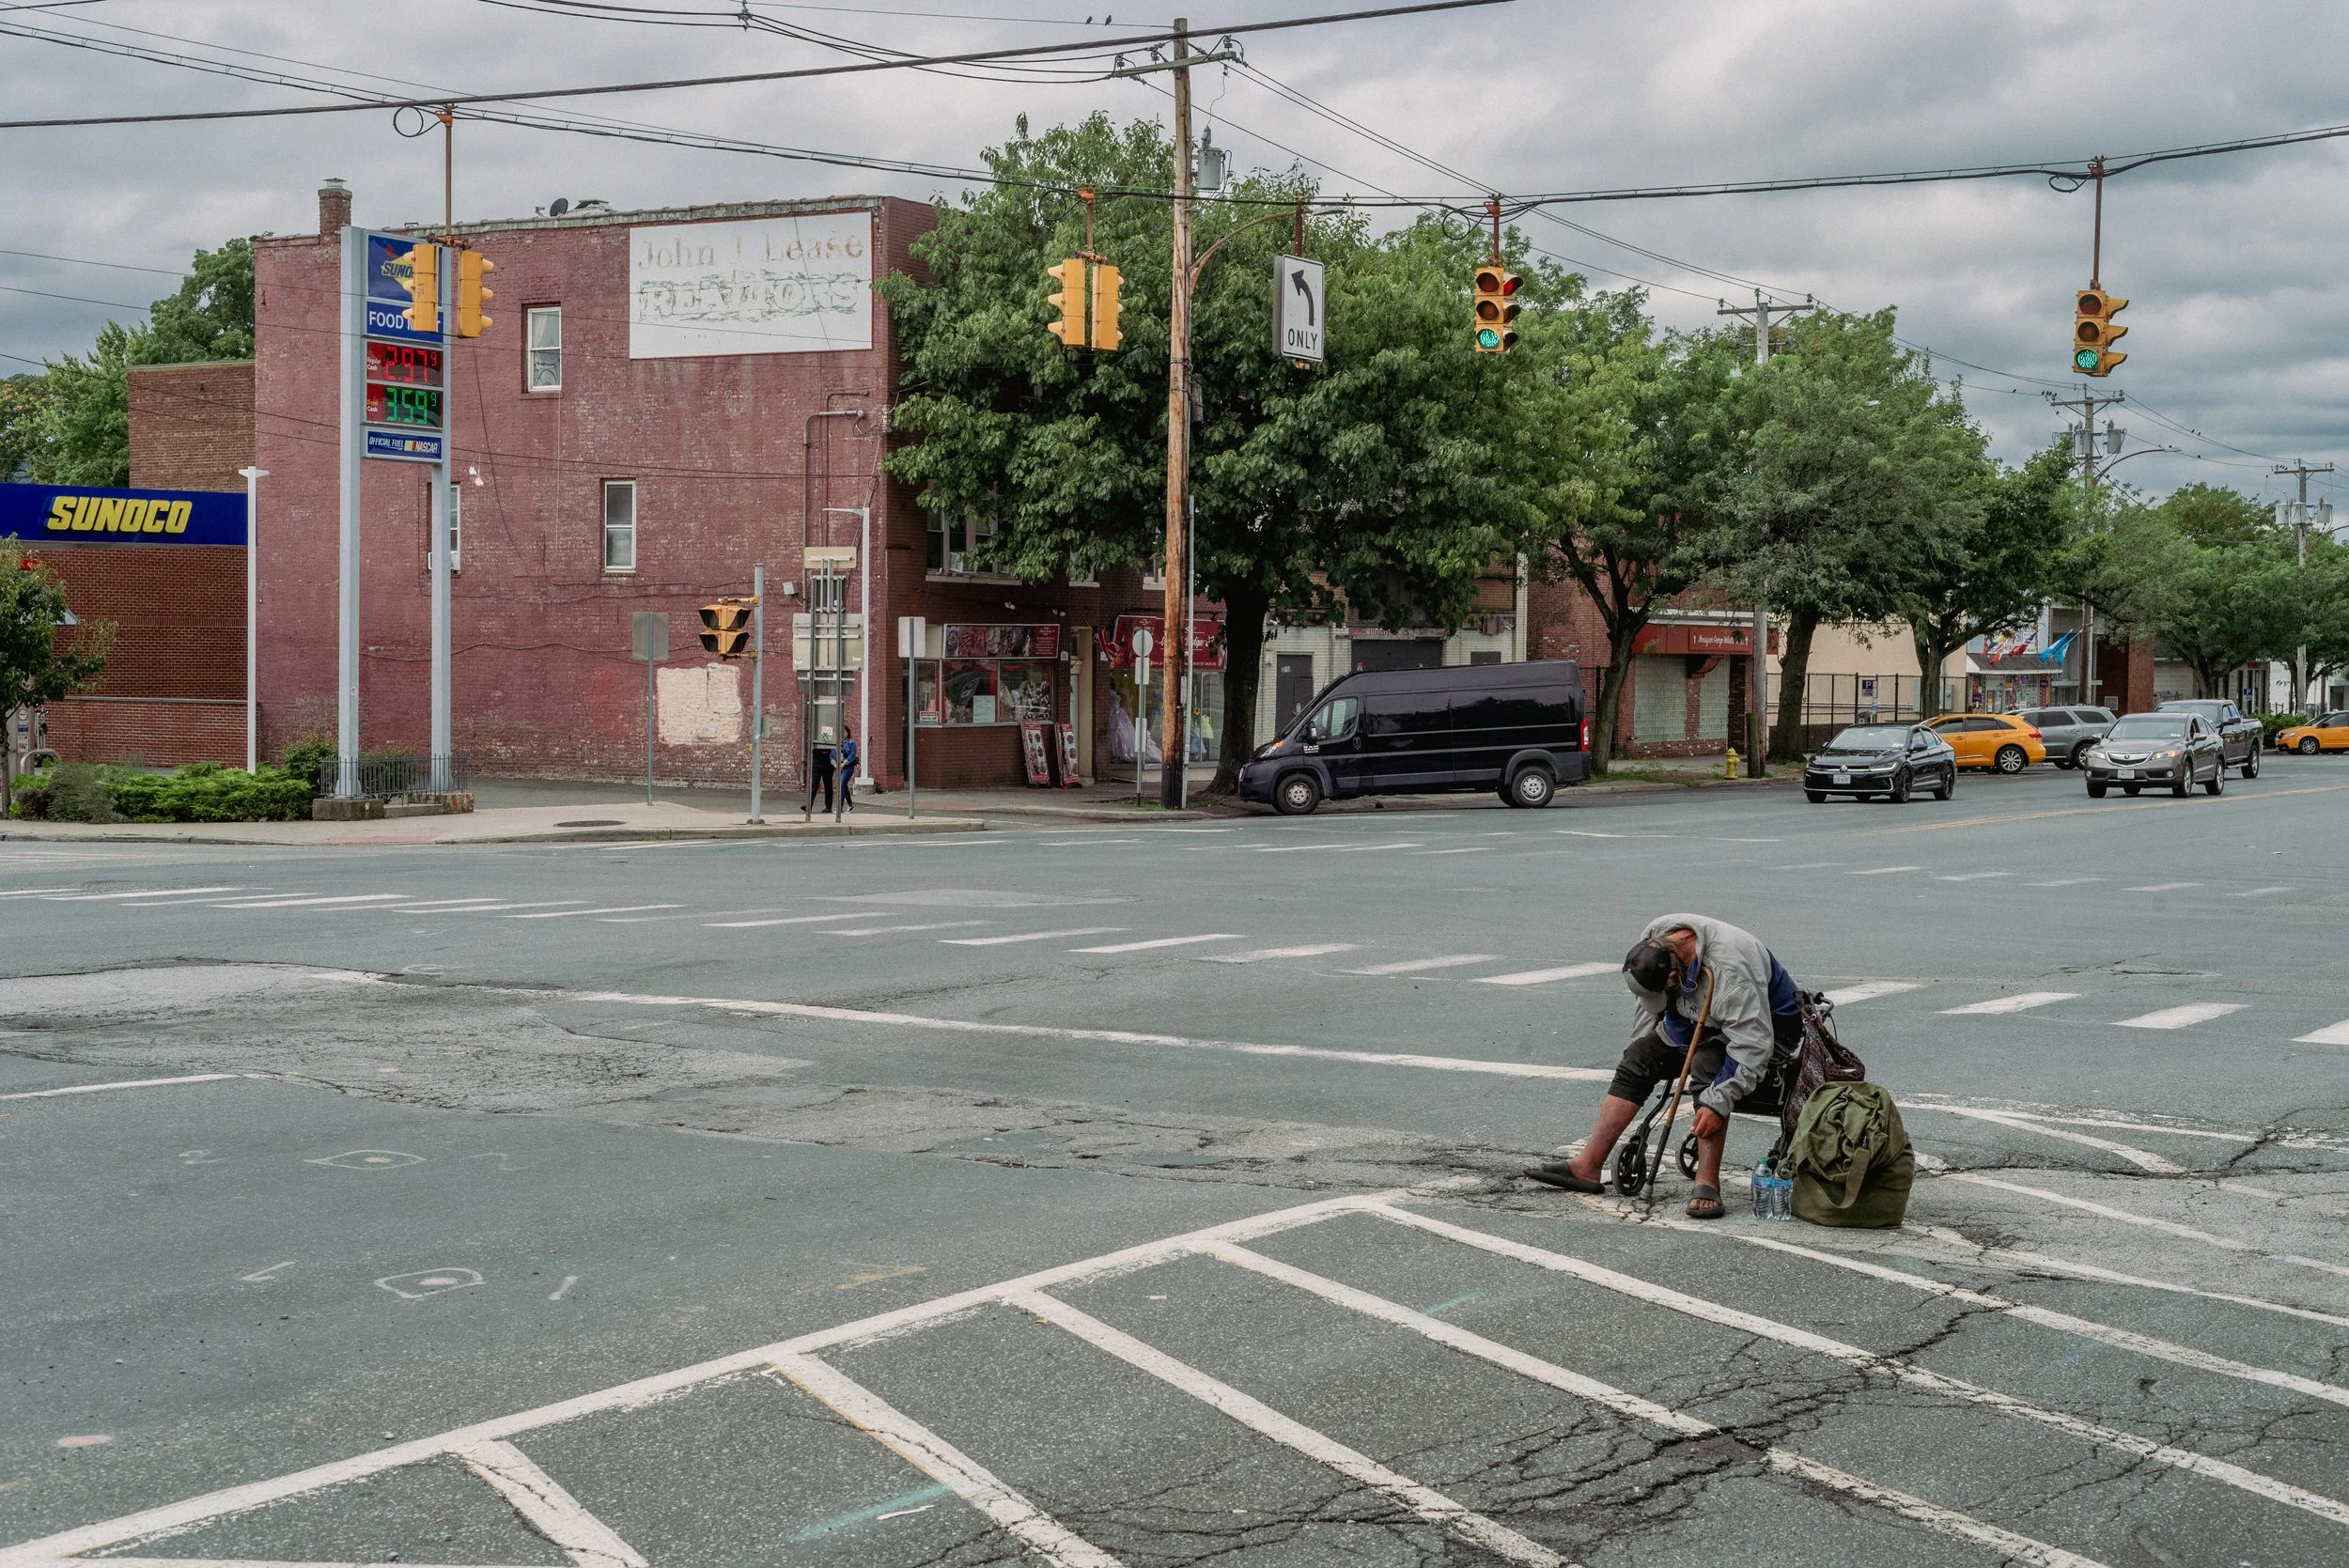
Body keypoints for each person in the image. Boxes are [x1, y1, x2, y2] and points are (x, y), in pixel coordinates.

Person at [1523, 913, 1807, 1219]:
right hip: (1696, 1017)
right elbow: (1648, 1007)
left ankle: (1707, 1182)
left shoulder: (1730, 974)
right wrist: (1643, 1054)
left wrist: (1717, 1102)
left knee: (1707, 1064)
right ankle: (1587, 1166)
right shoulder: (1655, 938)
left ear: (1674, 978)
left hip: (1767, 1031)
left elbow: (1753, 1046)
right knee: (1639, 1057)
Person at [803, 731, 834, 820]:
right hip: (816, 759)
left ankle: (828, 807)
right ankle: (809, 806)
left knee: (828, 784)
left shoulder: (828, 733)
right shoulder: (814, 730)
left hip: (827, 759)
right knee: (814, 784)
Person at [832, 723, 859, 819]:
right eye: (841, 732)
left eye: (844, 732)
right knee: (843, 785)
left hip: (848, 767)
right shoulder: (835, 743)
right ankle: (850, 805)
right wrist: (835, 764)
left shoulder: (851, 743)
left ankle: (839, 807)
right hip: (838, 766)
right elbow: (831, 756)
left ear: (847, 732)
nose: (843, 734)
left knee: (841, 783)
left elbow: (852, 755)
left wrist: (844, 764)